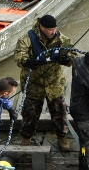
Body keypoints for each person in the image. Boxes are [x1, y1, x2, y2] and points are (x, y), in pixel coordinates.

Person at [14, 15, 76, 151]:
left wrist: (67, 59)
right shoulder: (26, 39)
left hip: (54, 83)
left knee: (60, 112)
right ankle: (26, 137)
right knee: (30, 113)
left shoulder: (61, 39)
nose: (53, 32)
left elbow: (73, 54)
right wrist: (28, 62)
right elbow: (19, 56)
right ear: (42, 27)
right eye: (50, 29)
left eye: (55, 28)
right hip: (33, 84)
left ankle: (62, 136)